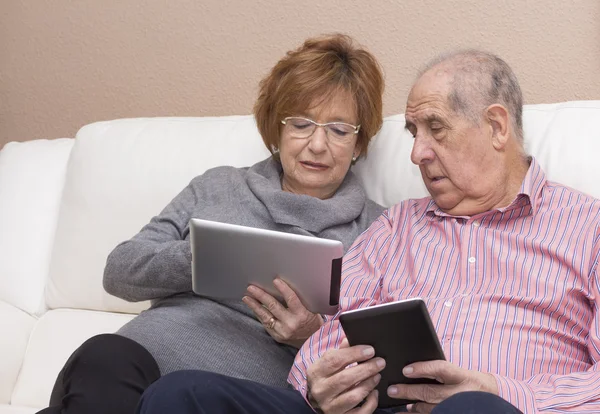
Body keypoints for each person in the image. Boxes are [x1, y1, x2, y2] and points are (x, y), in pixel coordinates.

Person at [136, 50, 600, 414]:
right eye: (413, 133)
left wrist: (501, 391)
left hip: (497, 409)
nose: (418, 153)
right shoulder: (396, 226)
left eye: (435, 129)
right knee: (183, 394)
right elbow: (326, 336)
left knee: (472, 408)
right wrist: (322, 387)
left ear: (497, 126)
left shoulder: (588, 227)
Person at [37, 33, 386, 414]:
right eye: (301, 124)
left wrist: (309, 334)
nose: (317, 145)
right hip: (128, 369)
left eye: (338, 130)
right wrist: (202, 258)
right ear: (277, 129)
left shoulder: (378, 229)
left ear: (359, 143)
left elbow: (373, 357)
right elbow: (119, 272)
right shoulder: (218, 186)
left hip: (224, 395)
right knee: (102, 355)